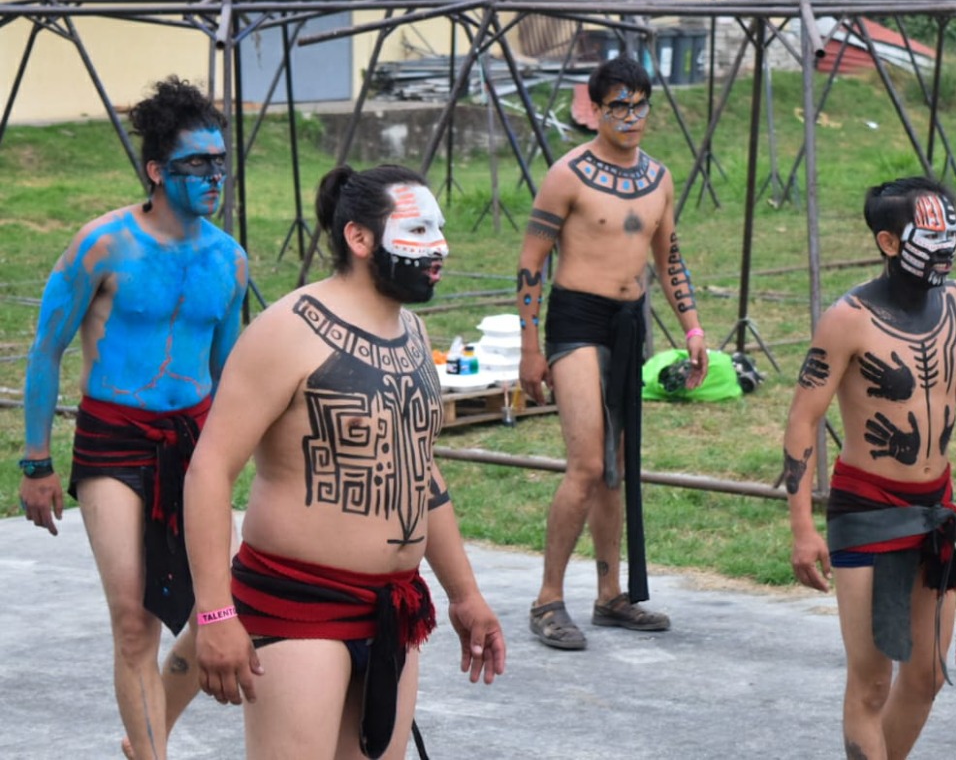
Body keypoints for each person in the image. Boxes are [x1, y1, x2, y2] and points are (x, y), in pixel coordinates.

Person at [185, 164, 506, 759]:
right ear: (360, 239)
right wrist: (214, 612)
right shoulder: (285, 331)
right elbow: (208, 471)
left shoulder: (410, 329)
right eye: (417, 229)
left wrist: (465, 594)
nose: (439, 246)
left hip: (393, 610)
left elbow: (417, 465)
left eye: (438, 228)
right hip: (298, 605)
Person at [19, 76, 248, 760]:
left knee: (216, 609)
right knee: (132, 621)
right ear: (156, 169)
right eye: (196, 165)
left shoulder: (229, 259)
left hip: (195, 444)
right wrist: (36, 459)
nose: (214, 178)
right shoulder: (103, 245)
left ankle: (146, 732)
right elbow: (46, 349)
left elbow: (233, 374)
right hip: (114, 439)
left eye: (220, 162)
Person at [784, 176, 956, 760]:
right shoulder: (847, 320)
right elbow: (802, 422)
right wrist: (803, 527)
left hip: (934, 510)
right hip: (868, 511)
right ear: (888, 241)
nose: (946, 244)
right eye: (930, 233)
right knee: (872, 682)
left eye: (950, 229)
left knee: (925, 677)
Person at [518, 54, 708, 651]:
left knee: (615, 469)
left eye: (639, 104)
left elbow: (668, 257)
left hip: (631, 323)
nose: (630, 116)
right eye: (617, 106)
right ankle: (548, 598)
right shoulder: (567, 174)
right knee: (585, 465)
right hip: (577, 321)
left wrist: (694, 329)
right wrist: (530, 346)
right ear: (595, 111)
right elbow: (531, 263)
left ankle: (609, 596)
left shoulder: (659, 178)